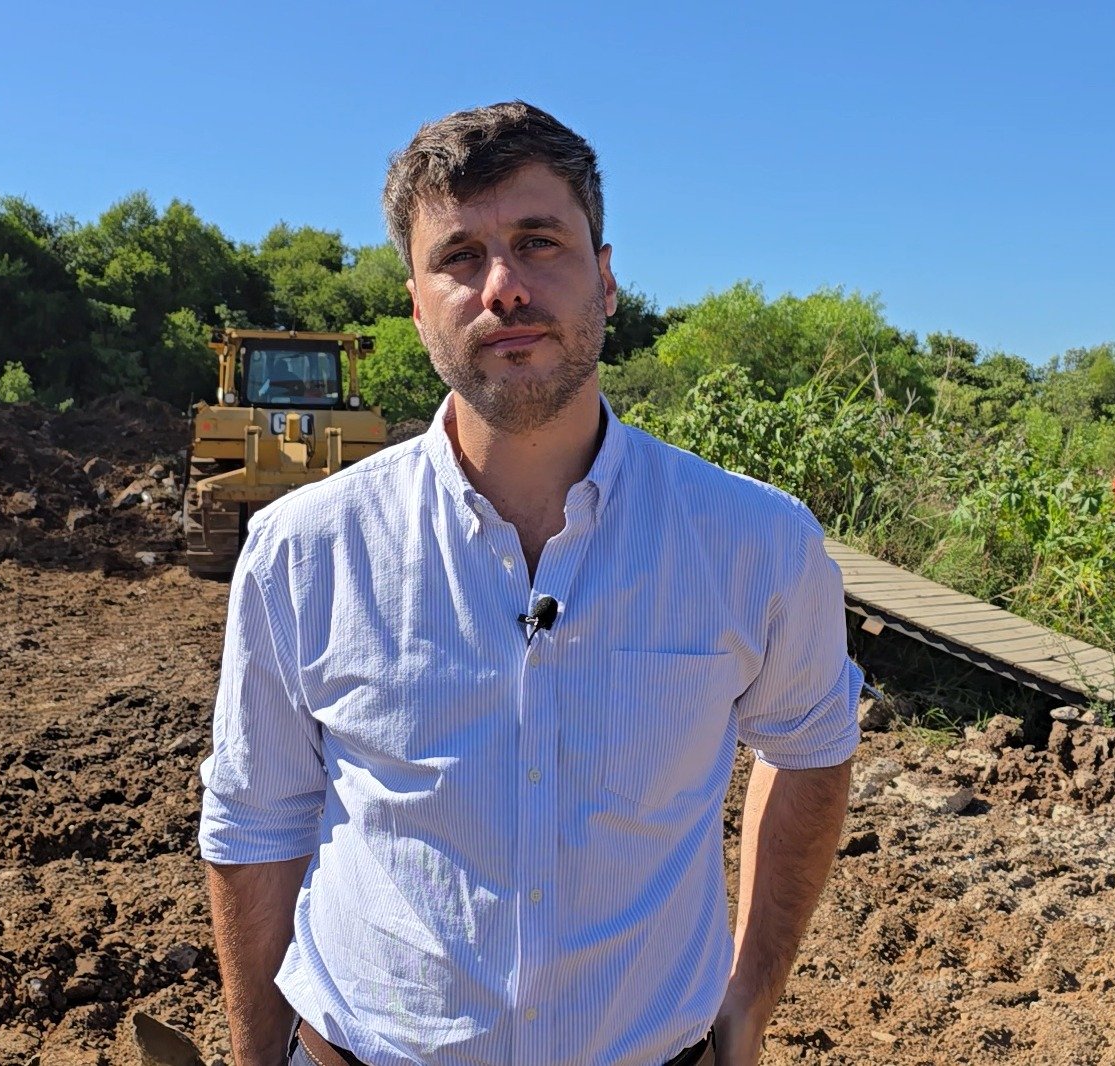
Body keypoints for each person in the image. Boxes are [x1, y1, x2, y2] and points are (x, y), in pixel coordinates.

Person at [200, 101, 861, 1066]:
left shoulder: (756, 543)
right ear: (417, 306)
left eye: (539, 242)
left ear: (606, 276)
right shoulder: (303, 551)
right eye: (460, 256)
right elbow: (258, 817)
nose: (503, 286)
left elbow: (810, 746)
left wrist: (750, 998)